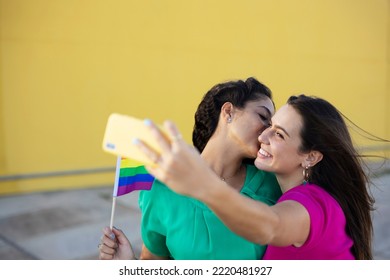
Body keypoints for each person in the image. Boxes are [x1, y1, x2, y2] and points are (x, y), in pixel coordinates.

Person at [135, 94, 376, 259]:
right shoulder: (298, 197)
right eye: (269, 124)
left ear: (310, 157)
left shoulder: (314, 204)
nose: (263, 136)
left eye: (279, 135)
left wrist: (202, 185)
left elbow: (270, 226)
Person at [98, 77, 282, 260]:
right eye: (263, 117)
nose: (268, 132)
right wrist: (128, 264)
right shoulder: (162, 189)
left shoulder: (274, 185)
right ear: (228, 112)